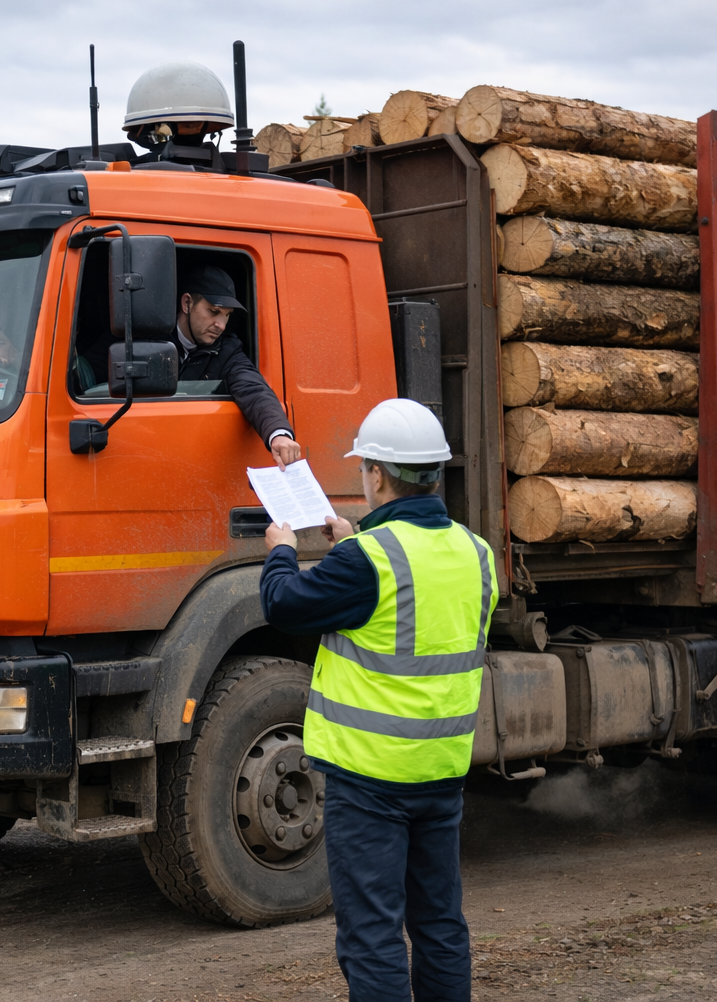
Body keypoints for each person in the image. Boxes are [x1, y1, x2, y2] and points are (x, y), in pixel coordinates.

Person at [259, 398, 497, 1002]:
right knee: (440, 924)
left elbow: (284, 603)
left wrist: (281, 548)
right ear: (435, 474)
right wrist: (353, 539)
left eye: (365, 467)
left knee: (371, 936)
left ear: (378, 475)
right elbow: (415, 602)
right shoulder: (477, 554)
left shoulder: (365, 561)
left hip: (370, 780)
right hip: (440, 771)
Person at [82, 265, 302, 469]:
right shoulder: (139, 336)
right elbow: (85, 375)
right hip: (128, 454)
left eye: (227, 316)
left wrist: (278, 433)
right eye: (214, 311)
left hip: (191, 461)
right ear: (187, 303)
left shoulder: (227, 351)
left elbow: (254, 390)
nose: (221, 325)